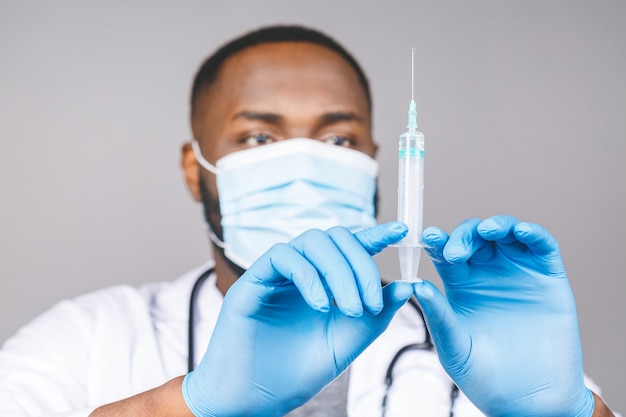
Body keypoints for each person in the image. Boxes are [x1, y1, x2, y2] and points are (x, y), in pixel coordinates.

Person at [0, 25, 617, 417]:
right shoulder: (86, 340)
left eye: (340, 140)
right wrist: (190, 405)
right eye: (259, 135)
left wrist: (559, 414)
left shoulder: (486, 352)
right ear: (196, 168)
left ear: (379, 166)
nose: (303, 162)